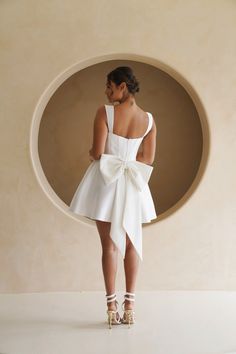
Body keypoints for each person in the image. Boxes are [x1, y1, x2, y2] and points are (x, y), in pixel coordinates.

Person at [69, 66, 157, 328]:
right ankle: (130, 306)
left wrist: (93, 153)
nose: (107, 92)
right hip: (132, 184)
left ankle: (111, 307)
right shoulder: (149, 120)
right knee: (131, 244)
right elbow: (147, 160)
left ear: (123, 86)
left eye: (110, 86)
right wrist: (128, 161)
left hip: (106, 183)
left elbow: (97, 152)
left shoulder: (105, 112)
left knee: (109, 246)